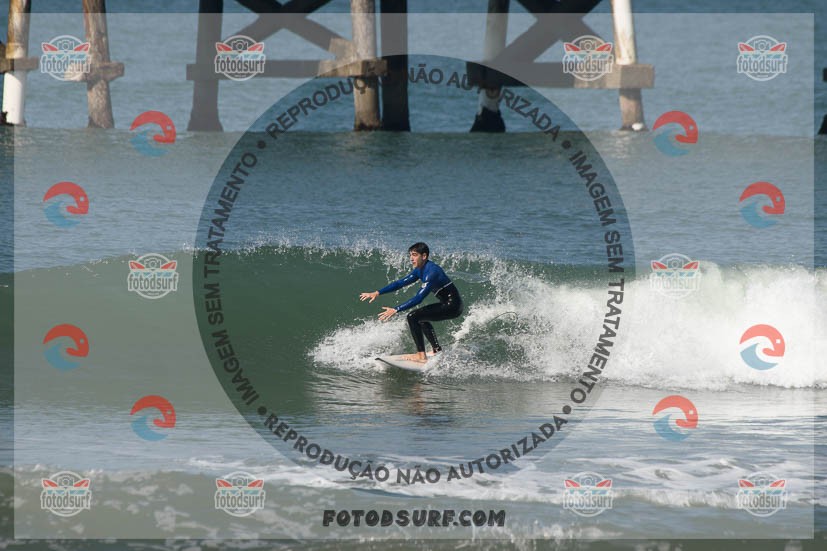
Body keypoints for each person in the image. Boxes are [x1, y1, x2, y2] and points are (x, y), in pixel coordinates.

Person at [360, 243, 463, 363]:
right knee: (421, 318)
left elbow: (419, 298)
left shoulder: (432, 272)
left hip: (453, 306)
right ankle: (436, 350)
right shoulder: (420, 270)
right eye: (410, 255)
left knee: (413, 316)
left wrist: (396, 309)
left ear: (424, 256)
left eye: (414, 255)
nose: (411, 258)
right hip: (447, 303)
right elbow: (400, 283)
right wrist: (377, 292)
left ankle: (421, 356)